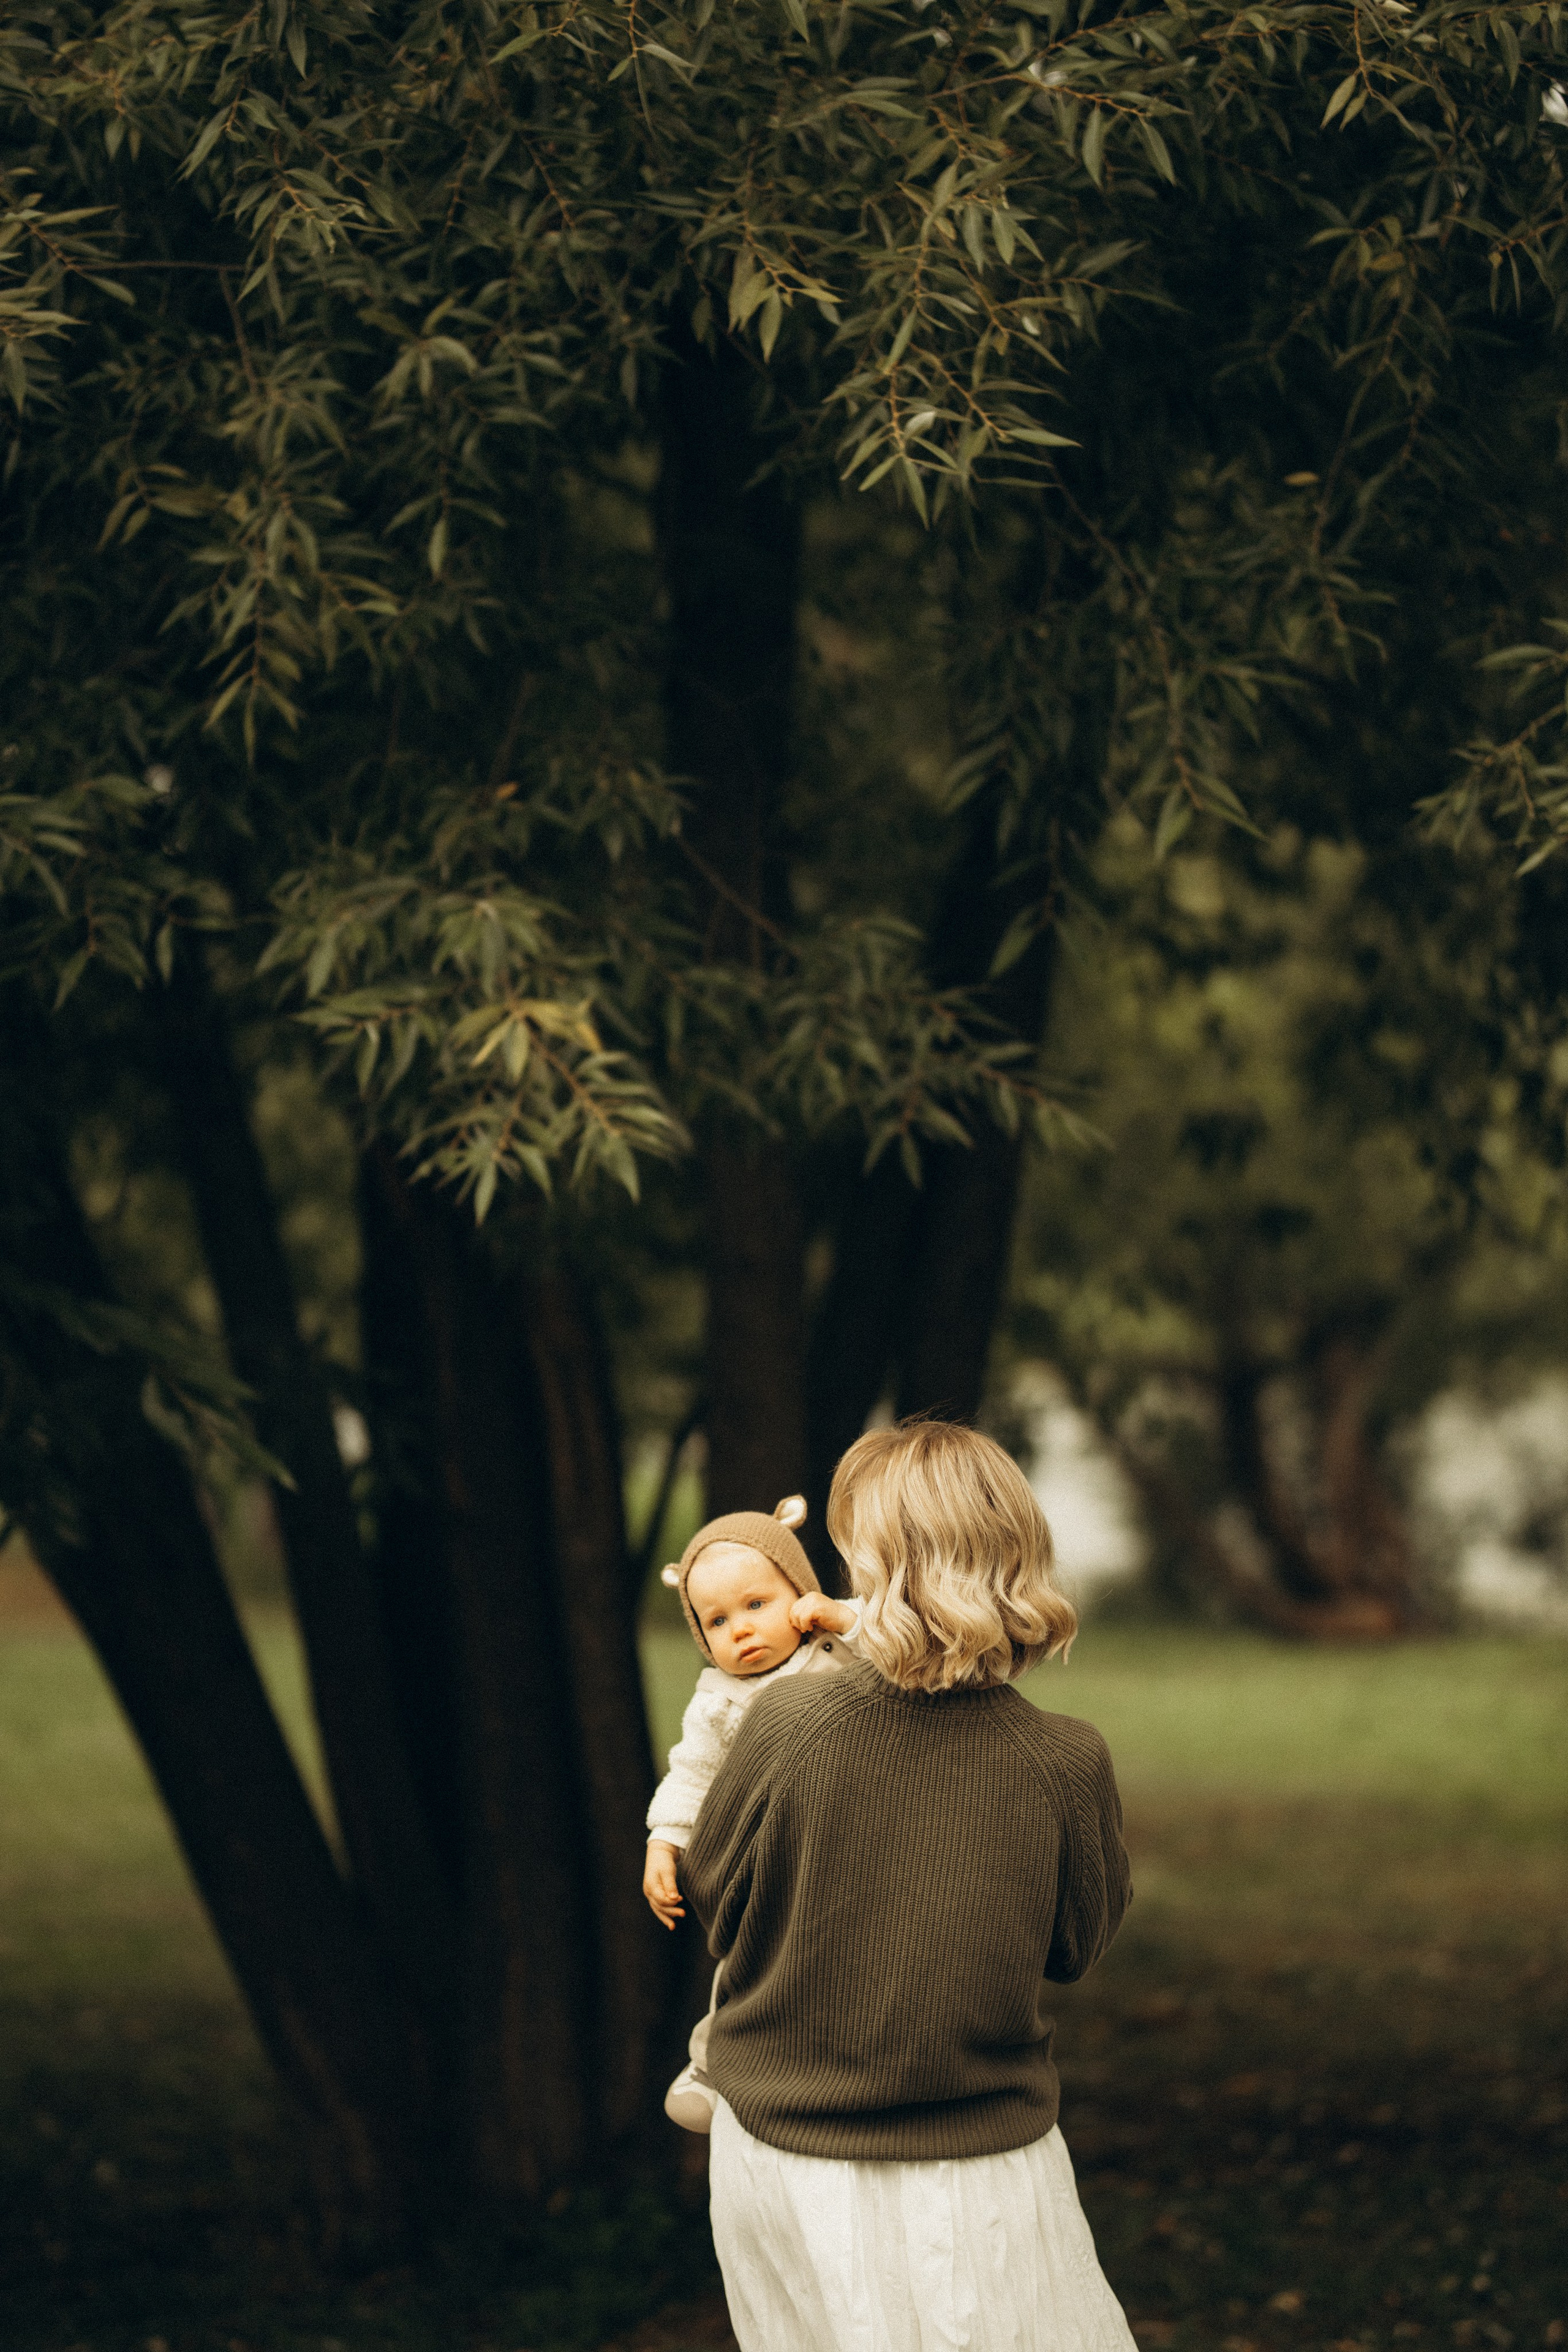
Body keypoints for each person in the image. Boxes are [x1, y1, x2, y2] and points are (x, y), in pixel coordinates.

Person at [682, 1418, 1139, 2352]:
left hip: (786, 2161)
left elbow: (718, 1905)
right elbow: (1076, 1946)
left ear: (872, 1563)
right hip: (988, 2173)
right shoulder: (1067, 1762)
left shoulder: (789, 1724)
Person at [643, 1492, 864, 2131]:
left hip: (855, 1835)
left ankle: (837, 2059)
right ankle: (712, 2064)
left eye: (756, 1605)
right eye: (715, 1621)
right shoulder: (717, 1700)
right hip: (773, 1855)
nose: (738, 1629)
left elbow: (900, 1645)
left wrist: (841, 1617)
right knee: (752, 1956)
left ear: (800, 1593)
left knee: (841, 1954)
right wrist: (664, 1843)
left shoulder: (839, 1649)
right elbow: (692, 1774)